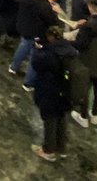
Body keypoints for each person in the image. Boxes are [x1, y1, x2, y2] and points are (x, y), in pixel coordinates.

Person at [30, 26, 76, 162]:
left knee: (50, 119)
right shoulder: (71, 50)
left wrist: (38, 51)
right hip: (66, 90)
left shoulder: (49, 54)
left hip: (50, 91)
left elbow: (36, 65)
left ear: (50, 37)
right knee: (62, 117)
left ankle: (48, 150)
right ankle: (61, 147)